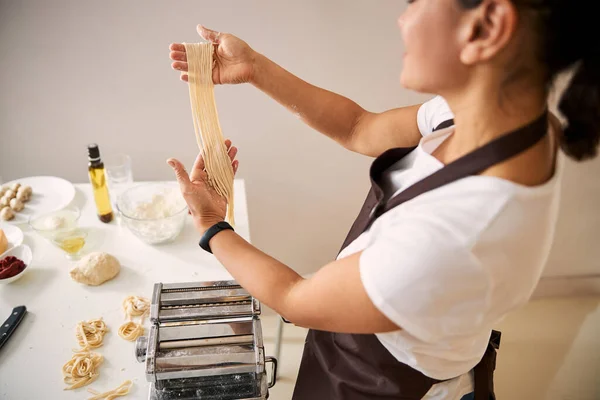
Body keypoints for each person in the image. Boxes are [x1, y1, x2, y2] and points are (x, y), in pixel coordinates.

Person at [166, 0, 600, 398]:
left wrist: (210, 223)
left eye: (416, 3)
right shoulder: (495, 119)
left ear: (487, 26)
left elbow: (295, 297)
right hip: (395, 343)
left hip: (382, 382)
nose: (402, 19)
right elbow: (360, 127)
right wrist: (254, 67)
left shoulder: (456, 233)